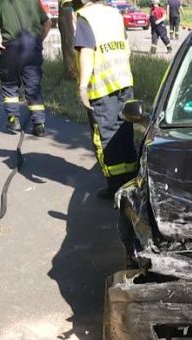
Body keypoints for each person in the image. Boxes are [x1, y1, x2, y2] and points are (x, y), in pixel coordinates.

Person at [74, 0, 137, 199]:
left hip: (102, 87)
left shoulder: (85, 16)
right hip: (124, 81)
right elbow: (126, 48)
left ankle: (116, 187)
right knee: (125, 130)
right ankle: (131, 181)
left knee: (106, 136)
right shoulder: (114, 14)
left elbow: (87, 51)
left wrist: (83, 86)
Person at [0, 0, 50, 136]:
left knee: (9, 84)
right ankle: (39, 125)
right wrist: (39, 40)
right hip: (32, 48)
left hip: (11, 48)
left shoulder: (1, 2)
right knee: (33, 87)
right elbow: (47, 22)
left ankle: (13, 119)